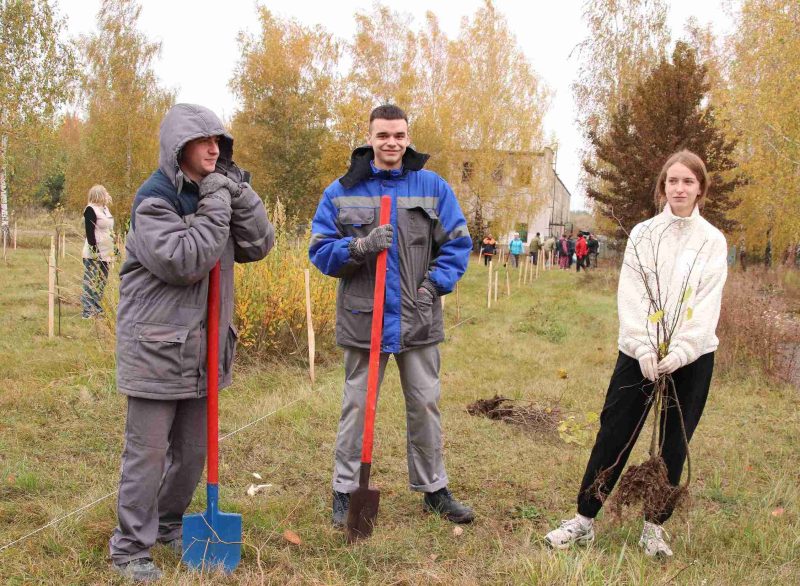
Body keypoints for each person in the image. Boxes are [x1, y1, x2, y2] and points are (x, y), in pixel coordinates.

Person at [109, 104, 274, 582]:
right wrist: (217, 201)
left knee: (192, 451)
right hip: (156, 349)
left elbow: (259, 243)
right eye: (203, 141)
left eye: (218, 141)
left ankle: (167, 524)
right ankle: (129, 548)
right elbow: (186, 260)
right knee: (147, 454)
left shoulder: (215, 189)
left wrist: (237, 191)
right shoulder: (154, 201)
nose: (213, 149)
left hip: (204, 349)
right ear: (178, 147)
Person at [543, 150, 727, 559]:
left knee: (675, 440)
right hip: (639, 351)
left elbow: (706, 302)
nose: (679, 188)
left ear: (700, 189)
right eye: (672, 181)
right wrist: (643, 344)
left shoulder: (712, 241)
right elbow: (633, 293)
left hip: (693, 355)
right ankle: (584, 519)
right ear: (663, 186)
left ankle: (654, 527)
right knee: (615, 431)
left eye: (688, 182)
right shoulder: (644, 234)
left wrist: (683, 349)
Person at [309, 104, 475, 529]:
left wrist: (433, 285)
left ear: (407, 137)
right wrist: (359, 247)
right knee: (356, 407)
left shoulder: (432, 187)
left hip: (418, 317)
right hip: (364, 319)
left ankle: (434, 489)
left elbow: (457, 243)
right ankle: (345, 490)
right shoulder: (341, 191)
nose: (391, 143)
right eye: (383, 135)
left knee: (424, 404)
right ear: (369, 138)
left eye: (399, 135)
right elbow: (320, 250)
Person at [81, 185, 116, 318]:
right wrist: (94, 251)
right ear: (99, 195)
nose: (107, 195)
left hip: (106, 253)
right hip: (94, 253)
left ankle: (96, 308)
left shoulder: (105, 209)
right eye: (105, 193)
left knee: (101, 281)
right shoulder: (90, 209)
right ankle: (87, 310)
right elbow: (90, 232)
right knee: (90, 281)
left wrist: (114, 249)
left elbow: (108, 231)